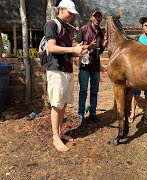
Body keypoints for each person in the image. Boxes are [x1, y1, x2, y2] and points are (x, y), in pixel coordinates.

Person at [44, 0, 88, 152]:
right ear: (61, 9)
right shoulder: (52, 24)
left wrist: (78, 52)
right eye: (70, 13)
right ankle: (55, 137)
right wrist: (72, 49)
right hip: (56, 69)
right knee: (56, 103)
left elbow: (67, 51)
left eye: (73, 14)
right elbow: (51, 47)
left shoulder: (66, 28)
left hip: (67, 69)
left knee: (63, 102)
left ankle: (60, 133)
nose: (72, 16)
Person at [76, 8, 105, 125]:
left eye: (99, 17)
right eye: (95, 16)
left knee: (94, 91)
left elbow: (99, 51)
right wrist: (88, 47)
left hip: (95, 66)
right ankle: (80, 116)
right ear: (91, 18)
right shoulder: (84, 29)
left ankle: (93, 114)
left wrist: (103, 46)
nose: (97, 19)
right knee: (83, 91)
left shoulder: (101, 33)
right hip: (84, 65)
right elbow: (76, 46)